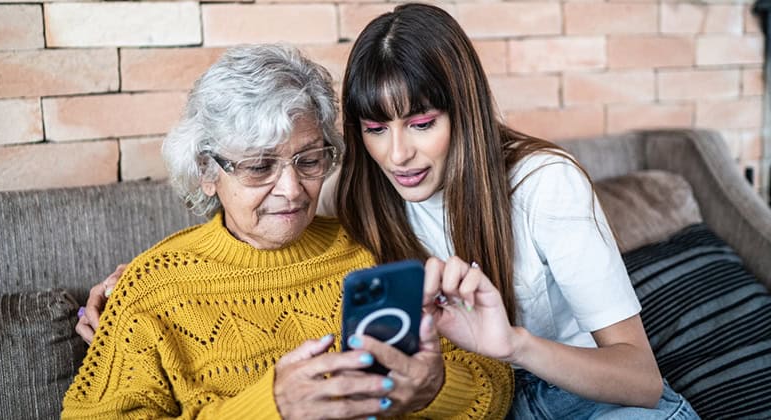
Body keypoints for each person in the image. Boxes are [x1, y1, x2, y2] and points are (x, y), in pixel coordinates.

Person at [62, 44, 513, 419]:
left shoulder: (374, 245)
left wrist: (434, 388)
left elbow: (494, 387)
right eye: (259, 166)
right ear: (206, 171)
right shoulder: (151, 289)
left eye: (310, 160)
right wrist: (269, 407)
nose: (293, 190)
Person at [334, 3, 699, 419]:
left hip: (590, 398)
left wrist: (515, 345)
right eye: (376, 130)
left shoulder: (544, 182)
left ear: (462, 113)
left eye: (421, 123)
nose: (398, 155)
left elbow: (642, 380)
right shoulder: (362, 198)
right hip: (487, 405)